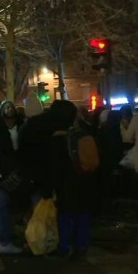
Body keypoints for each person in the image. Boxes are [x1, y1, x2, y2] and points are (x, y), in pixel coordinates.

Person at [45, 100, 97, 258]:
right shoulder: (84, 133)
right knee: (83, 215)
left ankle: (65, 247)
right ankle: (82, 246)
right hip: (85, 180)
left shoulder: (55, 139)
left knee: (65, 216)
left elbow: (54, 167)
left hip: (65, 184)